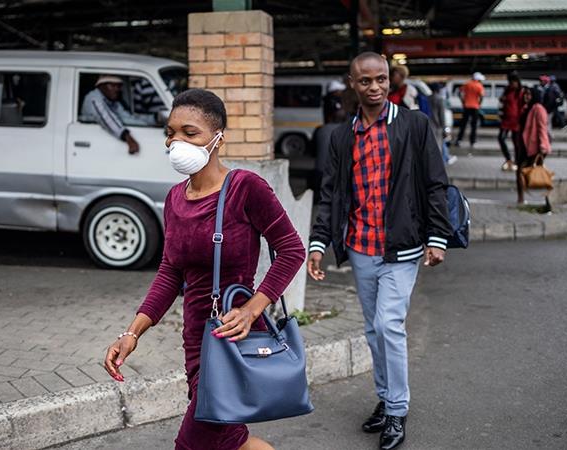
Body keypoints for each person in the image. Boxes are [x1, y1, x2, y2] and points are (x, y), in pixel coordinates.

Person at [103, 88, 305, 450]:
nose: (176, 141)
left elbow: (291, 250)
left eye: (189, 132)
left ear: (218, 138)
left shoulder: (246, 188)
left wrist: (251, 309)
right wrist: (131, 333)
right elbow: (169, 272)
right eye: (171, 132)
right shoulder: (175, 199)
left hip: (234, 338)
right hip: (196, 341)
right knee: (229, 440)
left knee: (195, 443)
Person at [306, 52, 452, 450]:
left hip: (402, 247)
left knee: (389, 325)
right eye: (366, 81)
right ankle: (387, 399)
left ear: (391, 81)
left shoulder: (414, 125)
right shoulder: (341, 135)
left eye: (382, 79)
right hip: (360, 248)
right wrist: (319, 243)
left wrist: (438, 236)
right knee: (373, 330)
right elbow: (331, 193)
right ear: (352, 84)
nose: (375, 87)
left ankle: (397, 410)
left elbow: (435, 183)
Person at [81, 75, 153, 154]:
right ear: (101, 86)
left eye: (118, 86)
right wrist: (129, 138)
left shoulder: (113, 102)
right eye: (112, 85)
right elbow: (107, 119)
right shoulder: (93, 98)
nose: (116, 89)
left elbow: (129, 118)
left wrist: (154, 119)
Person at [498, 72, 524, 172]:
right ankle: (508, 159)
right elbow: (502, 101)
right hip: (506, 119)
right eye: (510, 82)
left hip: (517, 120)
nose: (512, 84)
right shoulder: (507, 90)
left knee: (516, 143)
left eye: (514, 82)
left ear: (517, 82)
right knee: (501, 138)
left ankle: (517, 162)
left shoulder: (521, 91)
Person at [455, 72, 485, 148]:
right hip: (475, 107)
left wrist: (463, 101)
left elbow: (459, 92)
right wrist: (479, 104)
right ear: (478, 79)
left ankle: (459, 140)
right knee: (474, 126)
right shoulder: (479, 86)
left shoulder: (467, 84)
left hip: (466, 106)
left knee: (463, 125)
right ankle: (472, 142)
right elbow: (481, 97)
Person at [428, 82, 456, 165]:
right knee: (438, 146)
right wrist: (444, 129)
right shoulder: (440, 99)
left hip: (428, 125)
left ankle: (444, 158)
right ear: (438, 90)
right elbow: (442, 116)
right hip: (437, 127)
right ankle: (439, 163)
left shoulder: (427, 98)